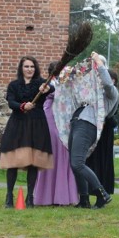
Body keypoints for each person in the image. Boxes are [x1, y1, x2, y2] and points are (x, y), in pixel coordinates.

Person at [53, 52, 119, 209]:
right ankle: (84, 199)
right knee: (75, 163)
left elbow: (108, 84)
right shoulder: (90, 90)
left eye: (97, 70)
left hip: (88, 125)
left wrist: (99, 63)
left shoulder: (111, 92)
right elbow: (73, 85)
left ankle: (102, 194)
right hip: (77, 122)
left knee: (78, 163)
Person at [0, 56, 54, 208]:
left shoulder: (41, 84)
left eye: (32, 67)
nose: (29, 69)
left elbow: (52, 88)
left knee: (33, 162)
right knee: (13, 161)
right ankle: (9, 196)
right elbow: (11, 102)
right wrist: (23, 106)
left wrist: (47, 88)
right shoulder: (14, 85)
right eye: (26, 67)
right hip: (18, 124)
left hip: (37, 125)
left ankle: (30, 198)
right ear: (21, 68)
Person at [33, 62, 79, 206]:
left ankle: (62, 195)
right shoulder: (48, 84)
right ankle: (45, 196)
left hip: (64, 120)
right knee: (52, 152)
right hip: (51, 117)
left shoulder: (67, 83)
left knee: (63, 152)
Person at [86, 67, 119, 199]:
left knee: (102, 161)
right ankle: (90, 190)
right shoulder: (97, 94)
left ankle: (101, 190)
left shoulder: (112, 94)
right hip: (96, 130)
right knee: (92, 161)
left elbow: (110, 116)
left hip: (105, 133)